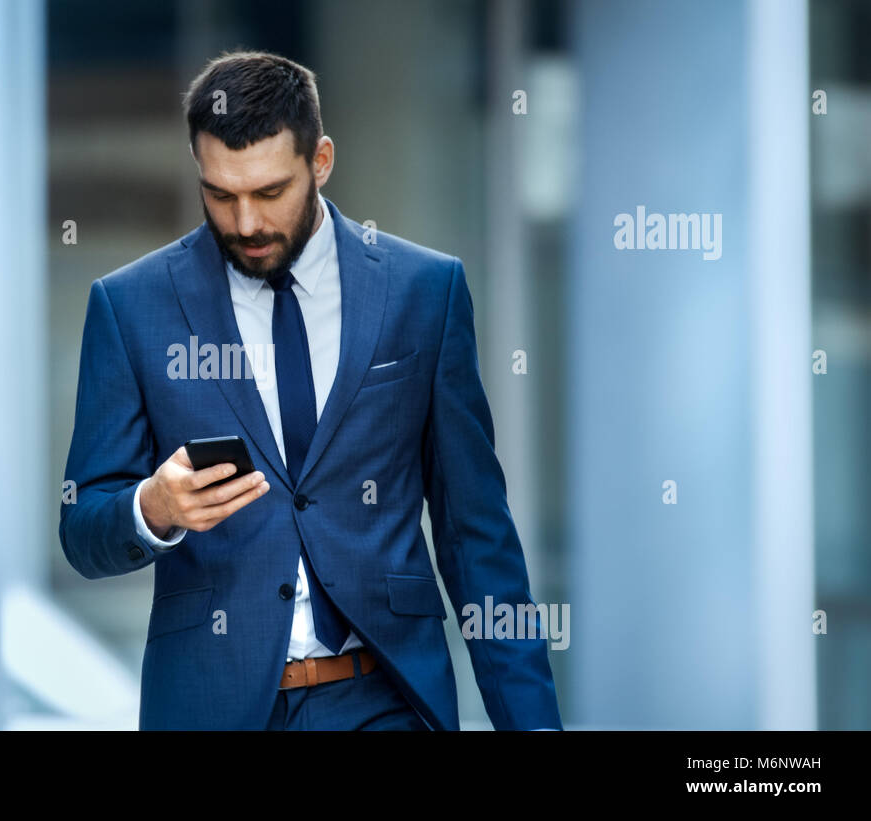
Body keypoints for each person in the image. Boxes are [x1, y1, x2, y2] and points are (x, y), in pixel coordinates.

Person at [59, 50, 562, 731]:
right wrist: (153, 506)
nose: (244, 223)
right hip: (214, 706)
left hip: (383, 698)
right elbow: (83, 527)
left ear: (320, 161)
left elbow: (478, 538)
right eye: (220, 193)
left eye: (269, 193)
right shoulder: (131, 306)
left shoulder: (422, 293)